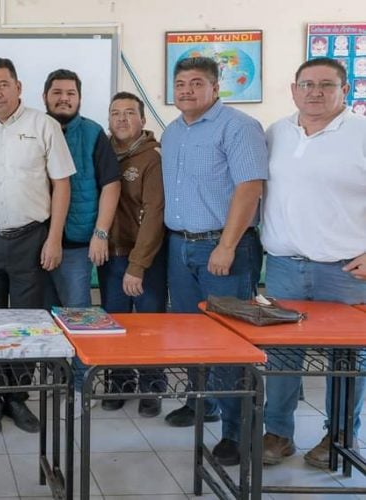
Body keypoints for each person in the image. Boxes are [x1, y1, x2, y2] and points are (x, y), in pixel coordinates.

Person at [0, 58, 74, 438]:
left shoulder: (44, 126)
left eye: (3, 85)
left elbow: (62, 185)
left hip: (32, 239)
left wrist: (54, 238)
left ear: (19, 86)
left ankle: (18, 397)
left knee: (26, 324)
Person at [161, 56, 268, 466]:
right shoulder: (172, 133)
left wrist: (226, 245)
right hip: (179, 246)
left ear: (215, 87)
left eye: (196, 83)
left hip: (225, 248)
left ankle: (236, 433)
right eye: (181, 83)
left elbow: (250, 187)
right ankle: (200, 402)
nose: (187, 90)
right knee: (190, 334)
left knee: (230, 341)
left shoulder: (238, 127)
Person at [260, 57, 366, 468]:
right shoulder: (277, 133)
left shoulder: (359, 133)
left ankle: (339, 436)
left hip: (344, 271)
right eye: (307, 84)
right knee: (283, 357)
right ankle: (278, 433)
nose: (315, 92)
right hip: (284, 265)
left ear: (346, 90)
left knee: (349, 360)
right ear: (293, 90)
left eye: (326, 85)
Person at [40, 69, 121, 419]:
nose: (63, 98)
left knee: (77, 313)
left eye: (70, 93)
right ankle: (48, 379)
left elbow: (111, 184)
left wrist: (99, 233)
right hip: (32, 241)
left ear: (80, 98)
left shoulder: (92, 134)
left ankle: (77, 385)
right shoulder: (34, 128)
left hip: (75, 242)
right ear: (45, 96)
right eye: (57, 92)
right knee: (40, 316)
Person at [97, 91, 168, 417]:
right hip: (111, 254)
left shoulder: (152, 157)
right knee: (114, 321)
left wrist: (138, 266)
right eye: (115, 113)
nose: (121, 119)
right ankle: (120, 382)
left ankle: (152, 385)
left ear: (142, 120)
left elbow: (154, 213)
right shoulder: (104, 152)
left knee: (149, 323)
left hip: (144, 258)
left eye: (129, 113)